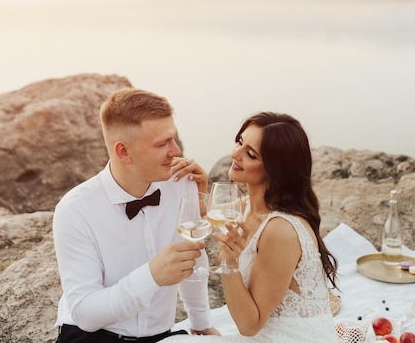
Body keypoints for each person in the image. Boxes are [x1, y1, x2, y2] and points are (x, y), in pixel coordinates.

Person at [52, 87, 220, 343]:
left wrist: (201, 323)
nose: (175, 150)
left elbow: (192, 259)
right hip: (94, 337)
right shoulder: (74, 210)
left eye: (173, 138)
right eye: (162, 143)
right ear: (123, 152)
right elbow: (85, 314)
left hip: (161, 335)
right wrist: (152, 275)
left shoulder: (182, 182)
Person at [165, 112, 339, 343]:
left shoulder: (280, 230)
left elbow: (250, 326)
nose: (234, 154)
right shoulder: (247, 206)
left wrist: (230, 263)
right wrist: (202, 186)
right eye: (240, 142)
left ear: (276, 170)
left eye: (250, 154)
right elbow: (205, 218)